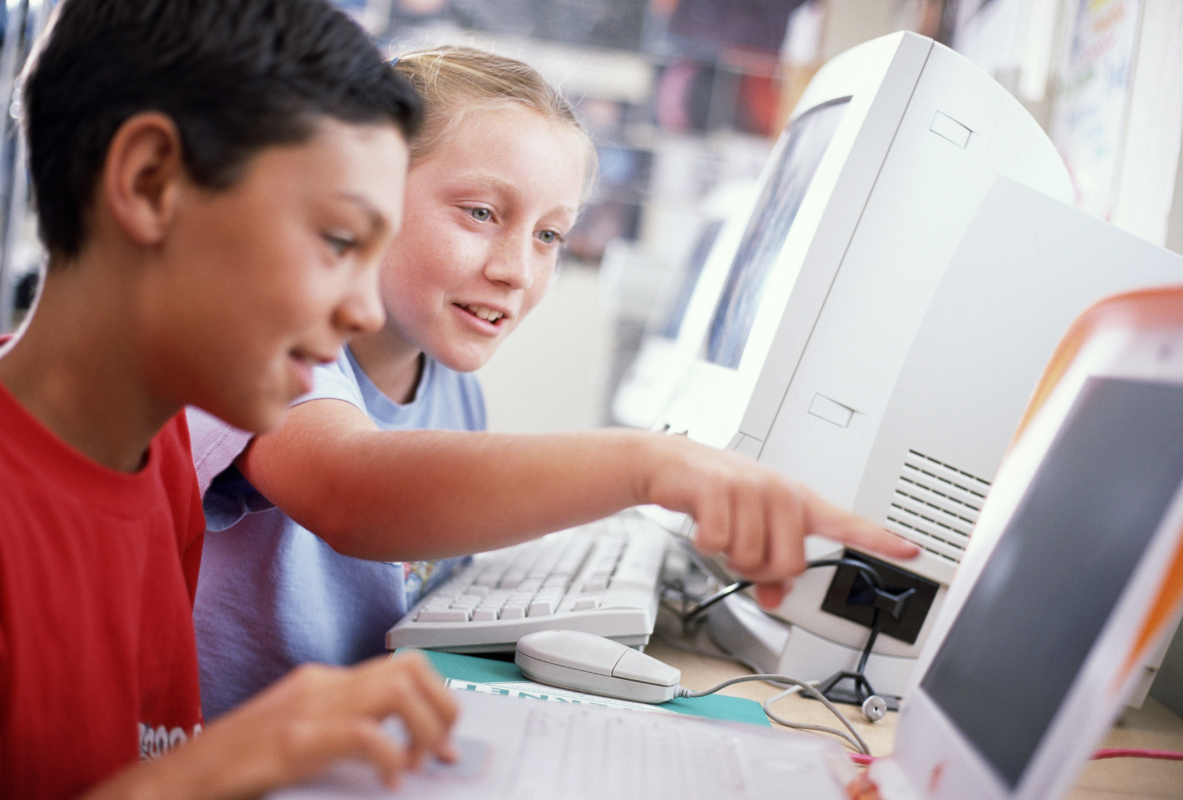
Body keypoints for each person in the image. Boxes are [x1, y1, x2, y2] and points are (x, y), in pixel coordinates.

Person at [190, 46, 921, 718]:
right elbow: (350, 490)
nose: (518, 269)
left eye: (548, 236)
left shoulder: (447, 381)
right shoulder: (268, 334)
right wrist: (645, 465)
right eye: (481, 213)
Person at [0, 1, 459, 797]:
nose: (366, 312)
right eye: (339, 241)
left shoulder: (160, 449)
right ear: (149, 182)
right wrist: (225, 761)